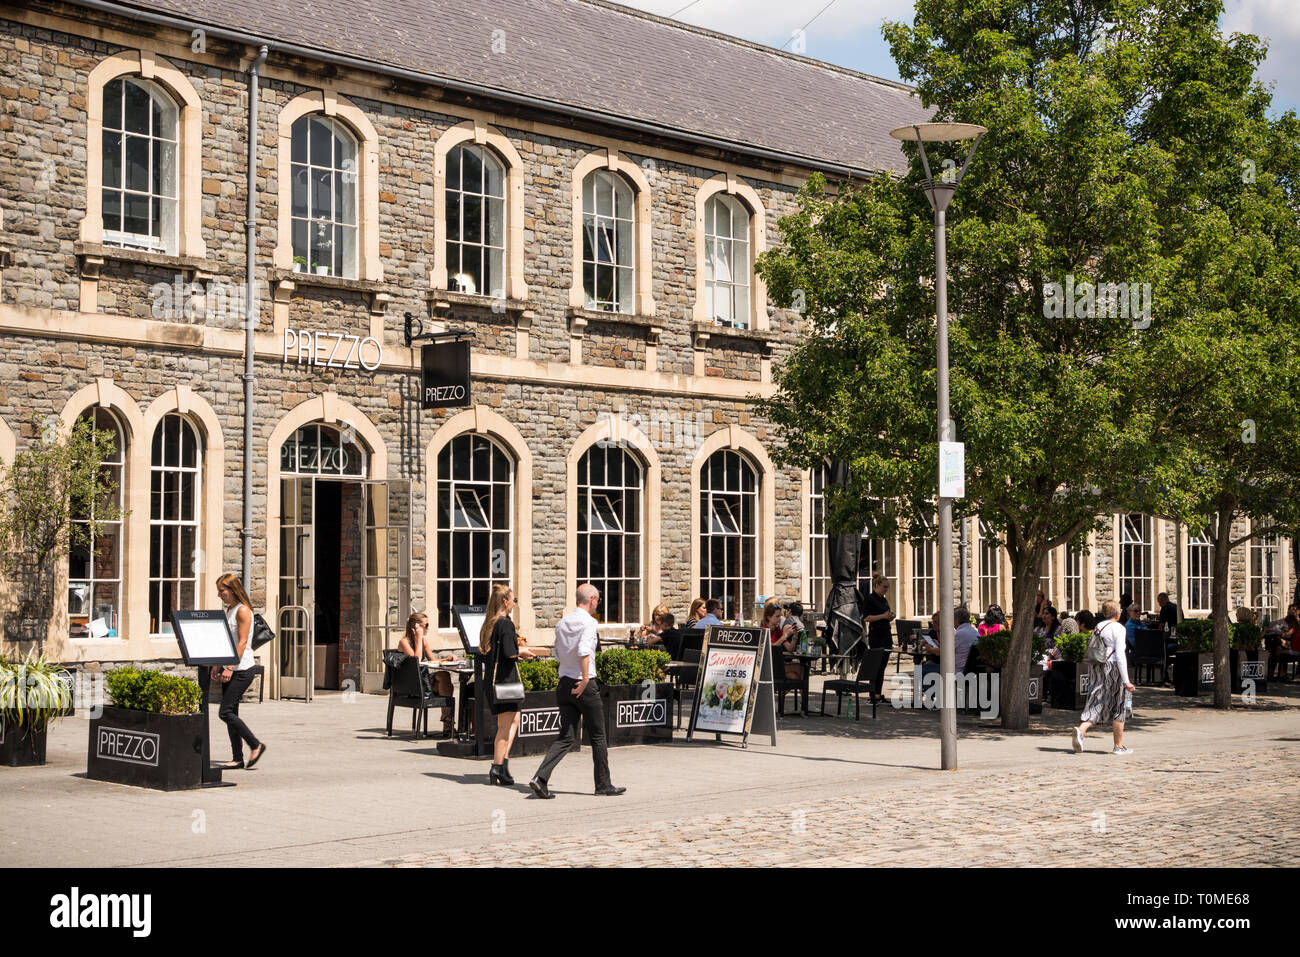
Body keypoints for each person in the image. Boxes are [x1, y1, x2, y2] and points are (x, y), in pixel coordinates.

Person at [528, 584, 625, 799]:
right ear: (591, 599)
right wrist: (584, 679)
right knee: (598, 735)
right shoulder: (589, 623)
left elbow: (557, 654)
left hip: (564, 682)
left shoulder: (563, 622)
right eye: (597, 599)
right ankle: (603, 784)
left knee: (567, 736)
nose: (597, 603)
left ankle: (540, 778)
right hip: (584, 683)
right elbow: (583, 651)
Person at [482, 584, 537, 786]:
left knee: (512, 721)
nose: (515, 603)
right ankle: (497, 766)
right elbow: (509, 652)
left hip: (493, 680)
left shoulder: (489, 622)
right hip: (505, 680)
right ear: (505, 602)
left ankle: (503, 764)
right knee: (505, 726)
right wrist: (522, 651)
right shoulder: (505, 624)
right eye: (513, 600)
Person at [214, 573, 266, 770]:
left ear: (233, 590)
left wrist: (229, 666)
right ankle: (237, 758)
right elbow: (226, 642)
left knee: (225, 712)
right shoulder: (230, 610)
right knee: (232, 712)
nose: (220, 595)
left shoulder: (243, 611)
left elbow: (243, 642)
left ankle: (256, 745)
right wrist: (216, 665)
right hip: (231, 666)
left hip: (242, 668)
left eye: (222, 591)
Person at [1072, 600, 1135, 755]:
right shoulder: (1119, 628)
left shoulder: (1098, 627)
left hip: (1096, 665)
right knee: (1120, 705)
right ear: (1117, 613)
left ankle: (1081, 730)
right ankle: (1118, 746)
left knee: (1096, 699)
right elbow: (1120, 655)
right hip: (1112, 667)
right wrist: (1126, 680)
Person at [398, 610, 456, 737]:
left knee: (444, 676)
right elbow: (416, 662)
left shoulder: (423, 641)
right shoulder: (404, 642)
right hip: (411, 685)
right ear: (416, 626)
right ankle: (448, 724)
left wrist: (447, 659)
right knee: (446, 685)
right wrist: (418, 638)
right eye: (427, 625)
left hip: (422, 680)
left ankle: (447, 722)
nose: (428, 628)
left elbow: (433, 660)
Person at [863, 574, 895, 649]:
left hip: (886, 635)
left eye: (887, 587)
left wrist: (891, 616)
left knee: (885, 658)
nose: (886, 589)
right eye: (884, 587)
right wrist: (883, 616)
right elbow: (866, 618)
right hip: (876, 636)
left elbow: (886, 615)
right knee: (878, 659)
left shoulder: (884, 600)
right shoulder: (870, 599)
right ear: (877, 585)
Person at [954, 606, 979, 672]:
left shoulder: (960, 633)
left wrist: (931, 649)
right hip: (970, 671)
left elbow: (945, 652)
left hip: (958, 671)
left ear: (957, 620)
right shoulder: (975, 631)